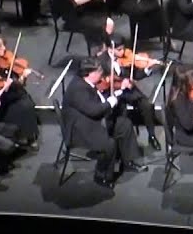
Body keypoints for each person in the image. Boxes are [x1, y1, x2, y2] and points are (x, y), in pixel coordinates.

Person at [62, 57, 146, 188]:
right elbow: (94, 111)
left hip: (90, 119)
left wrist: (116, 94)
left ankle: (127, 162)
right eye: (99, 71)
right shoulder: (78, 89)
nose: (102, 74)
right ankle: (101, 175)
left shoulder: (87, 82)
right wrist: (110, 103)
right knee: (109, 144)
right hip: (79, 128)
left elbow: (97, 104)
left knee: (124, 125)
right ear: (89, 74)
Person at [97, 37, 162, 151]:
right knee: (119, 113)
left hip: (128, 89)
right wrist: (120, 85)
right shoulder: (101, 61)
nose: (123, 52)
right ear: (110, 49)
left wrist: (147, 68)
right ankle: (116, 142)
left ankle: (151, 136)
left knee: (147, 105)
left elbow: (135, 75)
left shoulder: (126, 58)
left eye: (123, 48)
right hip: (111, 92)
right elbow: (101, 83)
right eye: (119, 50)